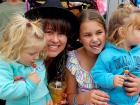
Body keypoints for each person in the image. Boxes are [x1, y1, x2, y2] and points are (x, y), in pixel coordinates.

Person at [91, 7, 140, 105]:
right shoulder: (107, 54)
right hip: (112, 102)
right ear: (122, 32)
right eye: (139, 29)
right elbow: (97, 73)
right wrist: (111, 80)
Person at [0, 14, 52, 105]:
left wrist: (47, 96)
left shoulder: (38, 60)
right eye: (32, 53)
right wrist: (29, 84)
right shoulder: (6, 63)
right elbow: (3, 90)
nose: (37, 57)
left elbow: (43, 82)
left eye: (39, 52)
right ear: (15, 49)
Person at [66, 9, 110, 105]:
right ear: (79, 38)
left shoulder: (114, 55)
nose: (95, 39)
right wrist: (84, 97)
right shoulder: (73, 60)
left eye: (99, 32)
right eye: (87, 35)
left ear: (106, 32)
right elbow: (70, 97)